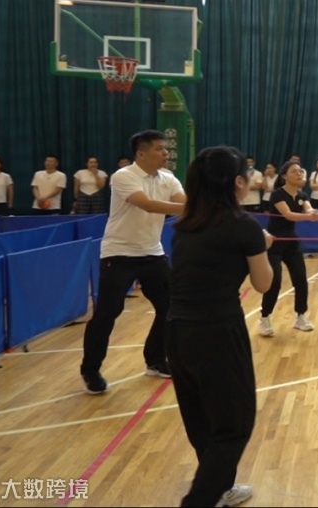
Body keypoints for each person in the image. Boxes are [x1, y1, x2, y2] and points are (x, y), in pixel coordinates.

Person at [167, 146, 273, 508]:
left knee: (202, 423)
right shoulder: (243, 226)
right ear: (238, 182)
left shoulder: (184, 226)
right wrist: (262, 246)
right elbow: (263, 283)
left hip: (177, 332)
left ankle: (221, 489)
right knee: (233, 427)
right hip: (216, 333)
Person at [80, 130, 186, 395]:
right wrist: (197, 207)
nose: (166, 153)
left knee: (170, 307)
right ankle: (90, 370)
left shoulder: (168, 178)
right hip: (119, 254)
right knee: (107, 313)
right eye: (160, 149)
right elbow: (148, 205)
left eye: (166, 149)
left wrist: (199, 205)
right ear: (141, 154)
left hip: (153, 253)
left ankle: (156, 360)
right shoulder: (124, 176)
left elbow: (183, 202)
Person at [259, 161, 318, 336]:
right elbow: (288, 215)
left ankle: (300, 316)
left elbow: (308, 208)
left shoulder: (302, 195)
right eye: (294, 171)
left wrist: (314, 213)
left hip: (292, 242)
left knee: (301, 279)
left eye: (300, 171)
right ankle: (264, 317)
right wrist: (309, 217)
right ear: (285, 176)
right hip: (274, 242)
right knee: (275, 281)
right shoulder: (277, 194)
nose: (299, 173)